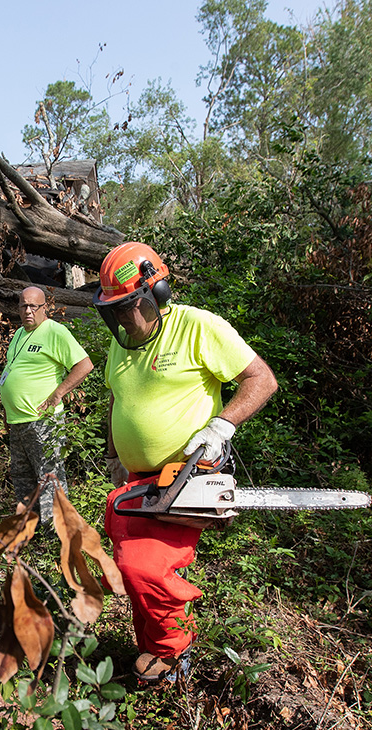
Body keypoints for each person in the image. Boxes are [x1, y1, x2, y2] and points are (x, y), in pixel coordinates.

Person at [93, 242, 277, 683]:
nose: (124, 318)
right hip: (138, 479)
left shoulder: (198, 326)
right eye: (115, 309)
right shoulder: (123, 345)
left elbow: (262, 379)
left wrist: (221, 426)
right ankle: (150, 645)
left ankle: (174, 654)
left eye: (132, 306)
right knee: (127, 563)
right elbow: (118, 399)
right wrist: (116, 455)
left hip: (185, 473)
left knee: (145, 567)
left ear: (158, 293)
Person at [0, 286, 93, 522]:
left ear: (45, 307)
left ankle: (57, 533)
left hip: (43, 420)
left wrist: (58, 393)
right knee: (22, 476)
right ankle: (30, 528)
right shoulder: (19, 334)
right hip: (18, 420)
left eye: (33, 306)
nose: (28, 310)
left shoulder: (55, 331)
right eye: (23, 306)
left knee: (49, 476)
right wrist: (7, 408)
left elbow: (84, 365)